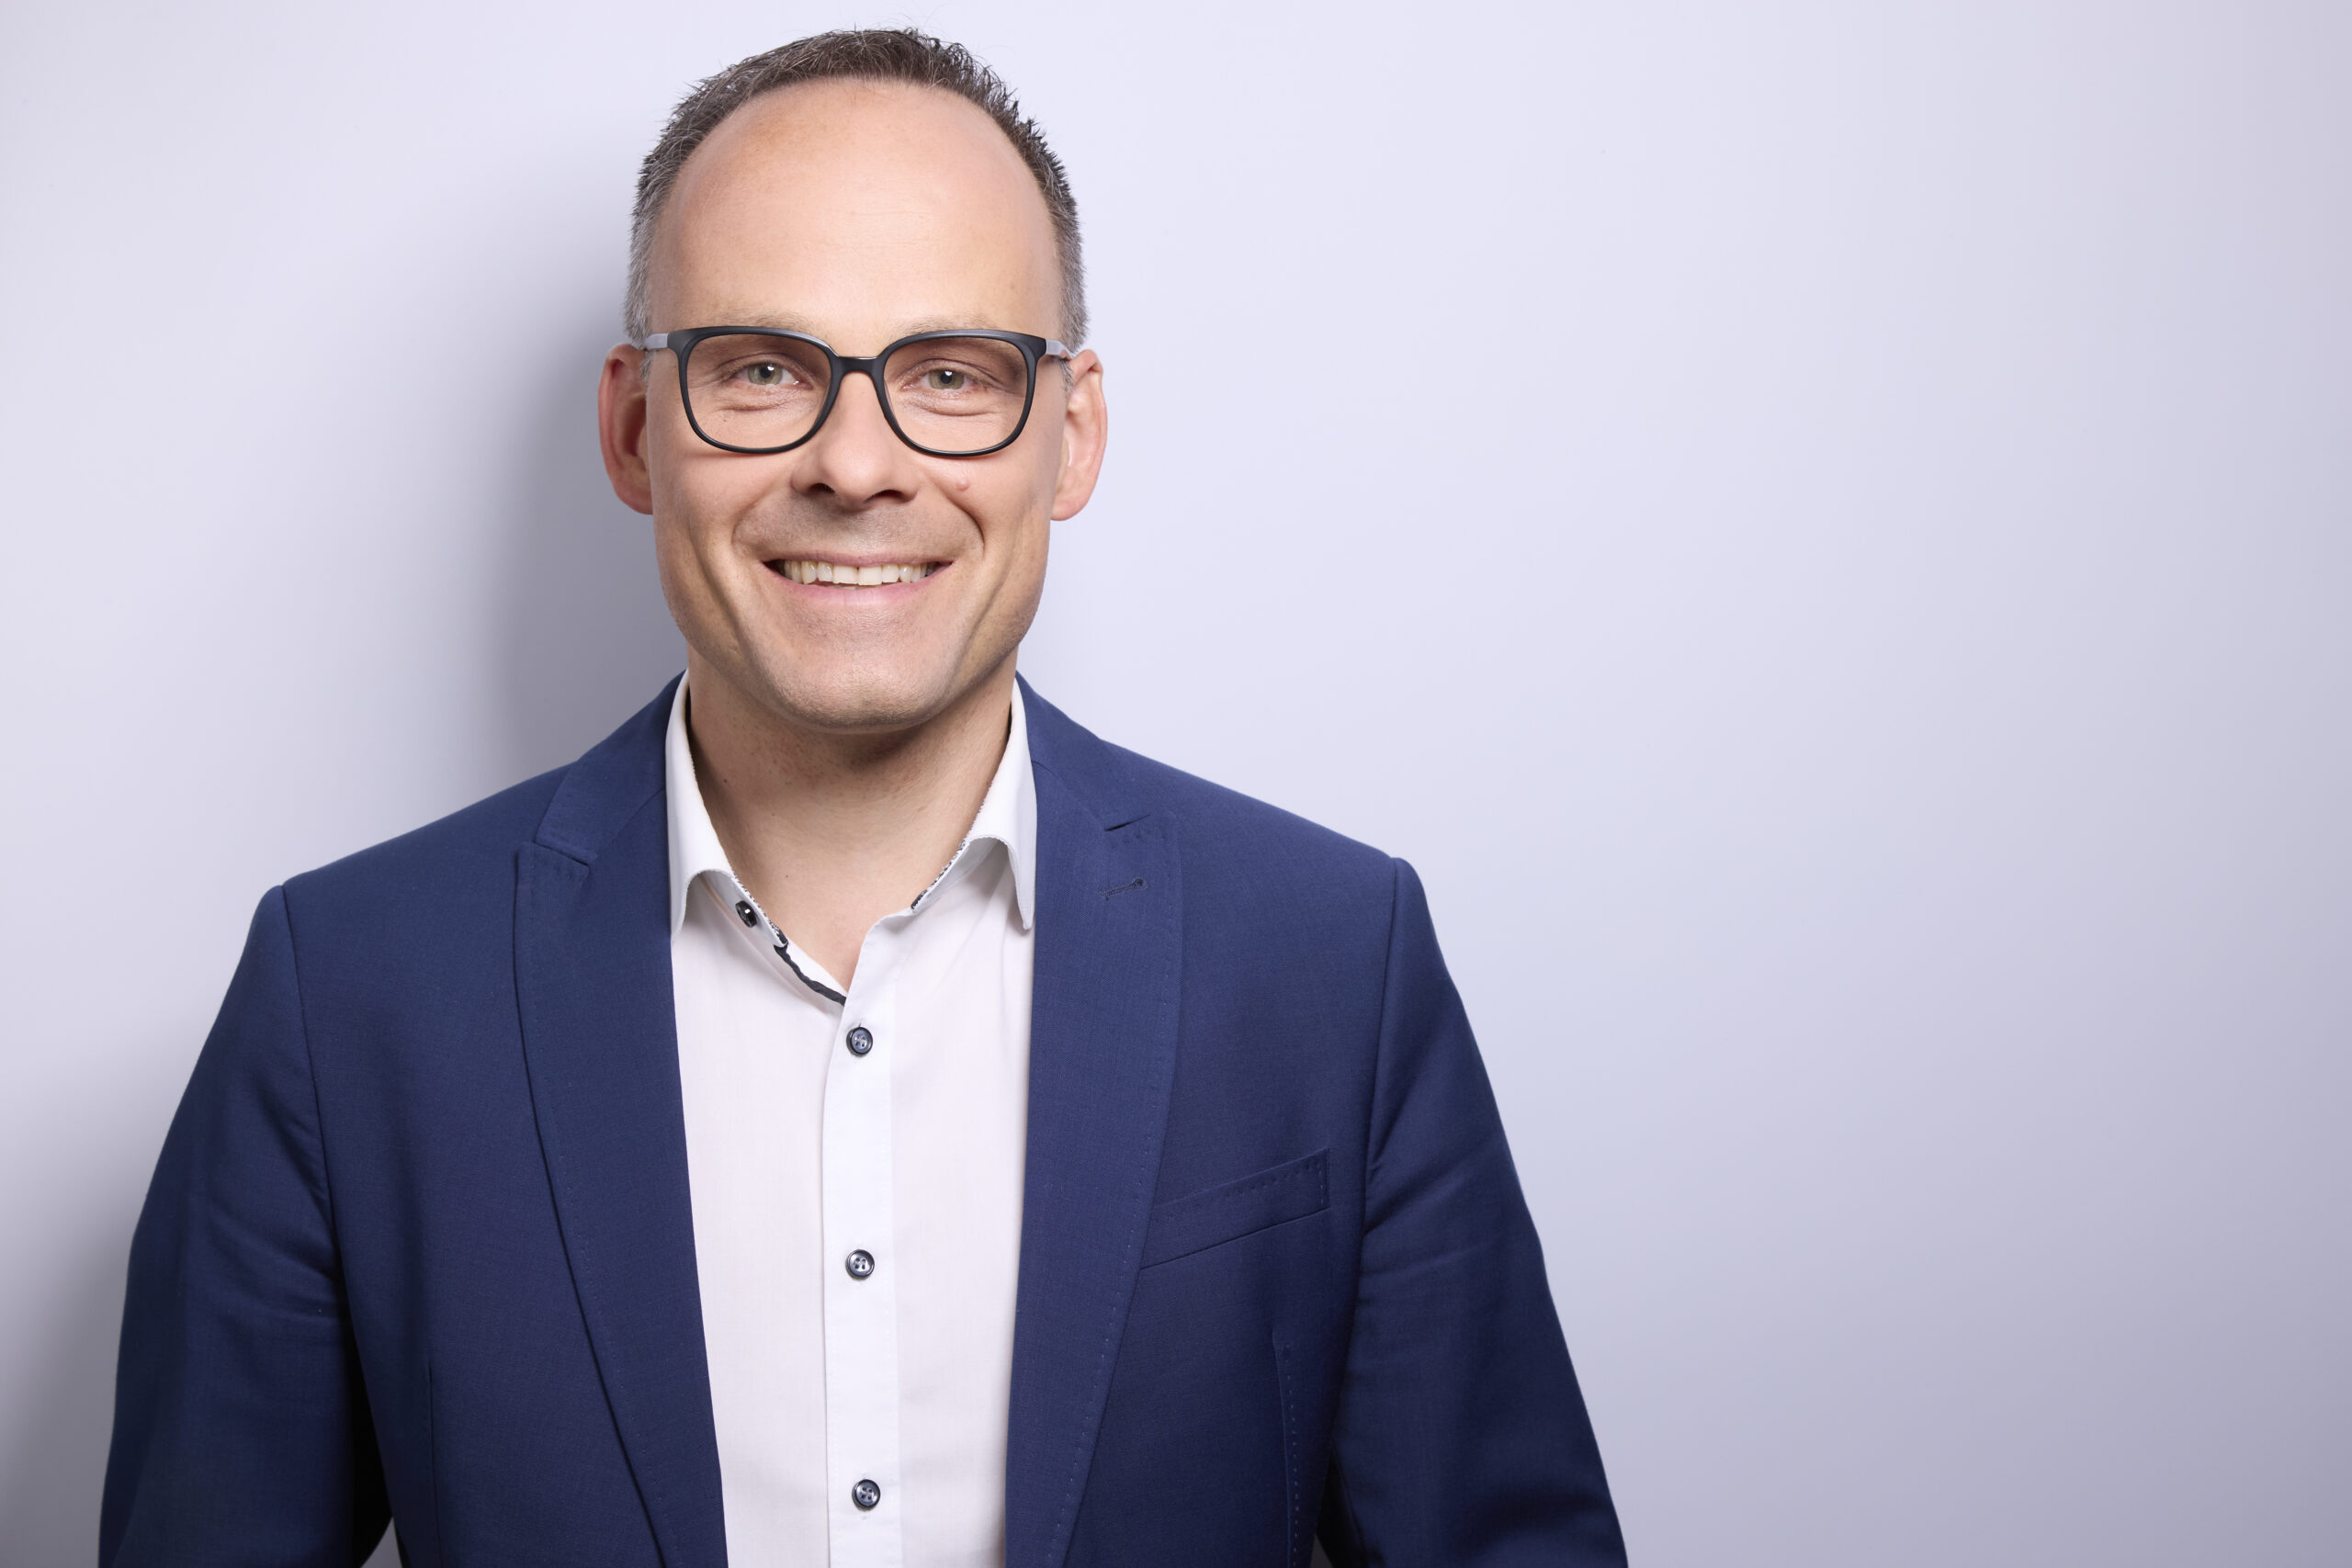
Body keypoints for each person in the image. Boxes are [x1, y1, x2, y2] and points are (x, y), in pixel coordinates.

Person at [99, 28, 1624, 1568]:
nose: (855, 463)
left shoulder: (1333, 963)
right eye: (761, 369)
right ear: (635, 429)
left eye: (950, 375)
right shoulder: (345, 996)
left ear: (1072, 436)